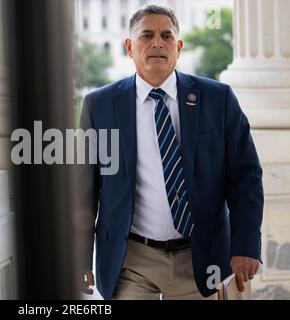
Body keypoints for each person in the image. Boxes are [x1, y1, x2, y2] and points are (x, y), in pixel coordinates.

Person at [77, 4, 263, 300]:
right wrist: (79, 256)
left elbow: (246, 177)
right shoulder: (99, 106)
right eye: (146, 35)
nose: (157, 43)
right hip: (132, 260)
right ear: (129, 47)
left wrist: (245, 247)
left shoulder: (218, 99)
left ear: (178, 47)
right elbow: (84, 189)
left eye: (166, 36)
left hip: (204, 260)